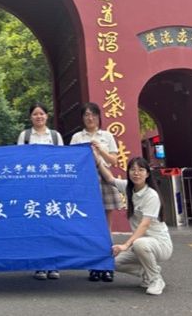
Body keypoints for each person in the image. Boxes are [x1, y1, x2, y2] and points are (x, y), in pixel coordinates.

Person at [95, 156, 173, 295]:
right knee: (111, 262)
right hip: (141, 244)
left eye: (141, 170)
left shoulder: (151, 195)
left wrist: (125, 245)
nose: (136, 173)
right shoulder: (128, 187)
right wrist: (98, 160)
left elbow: (144, 225)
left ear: (147, 174)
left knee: (139, 243)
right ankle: (148, 273)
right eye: (133, 170)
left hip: (160, 245)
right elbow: (110, 179)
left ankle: (156, 280)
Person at [69, 102, 121, 282]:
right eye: (86, 115)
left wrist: (99, 149)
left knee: (106, 227)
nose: (90, 118)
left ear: (99, 117)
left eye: (93, 114)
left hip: (105, 178)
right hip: (84, 182)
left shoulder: (107, 136)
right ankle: (94, 266)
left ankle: (107, 266)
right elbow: (71, 161)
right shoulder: (77, 137)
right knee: (89, 226)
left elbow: (114, 161)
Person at [17, 102, 63, 280]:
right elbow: (19, 160)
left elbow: (63, 159)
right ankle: (39, 265)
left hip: (52, 187)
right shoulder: (25, 136)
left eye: (41, 114)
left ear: (47, 116)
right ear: (30, 117)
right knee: (37, 225)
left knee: (54, 225)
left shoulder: (55, 136)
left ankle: (54, 264)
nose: (39, 117)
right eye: (35, 114)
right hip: (32, 187)